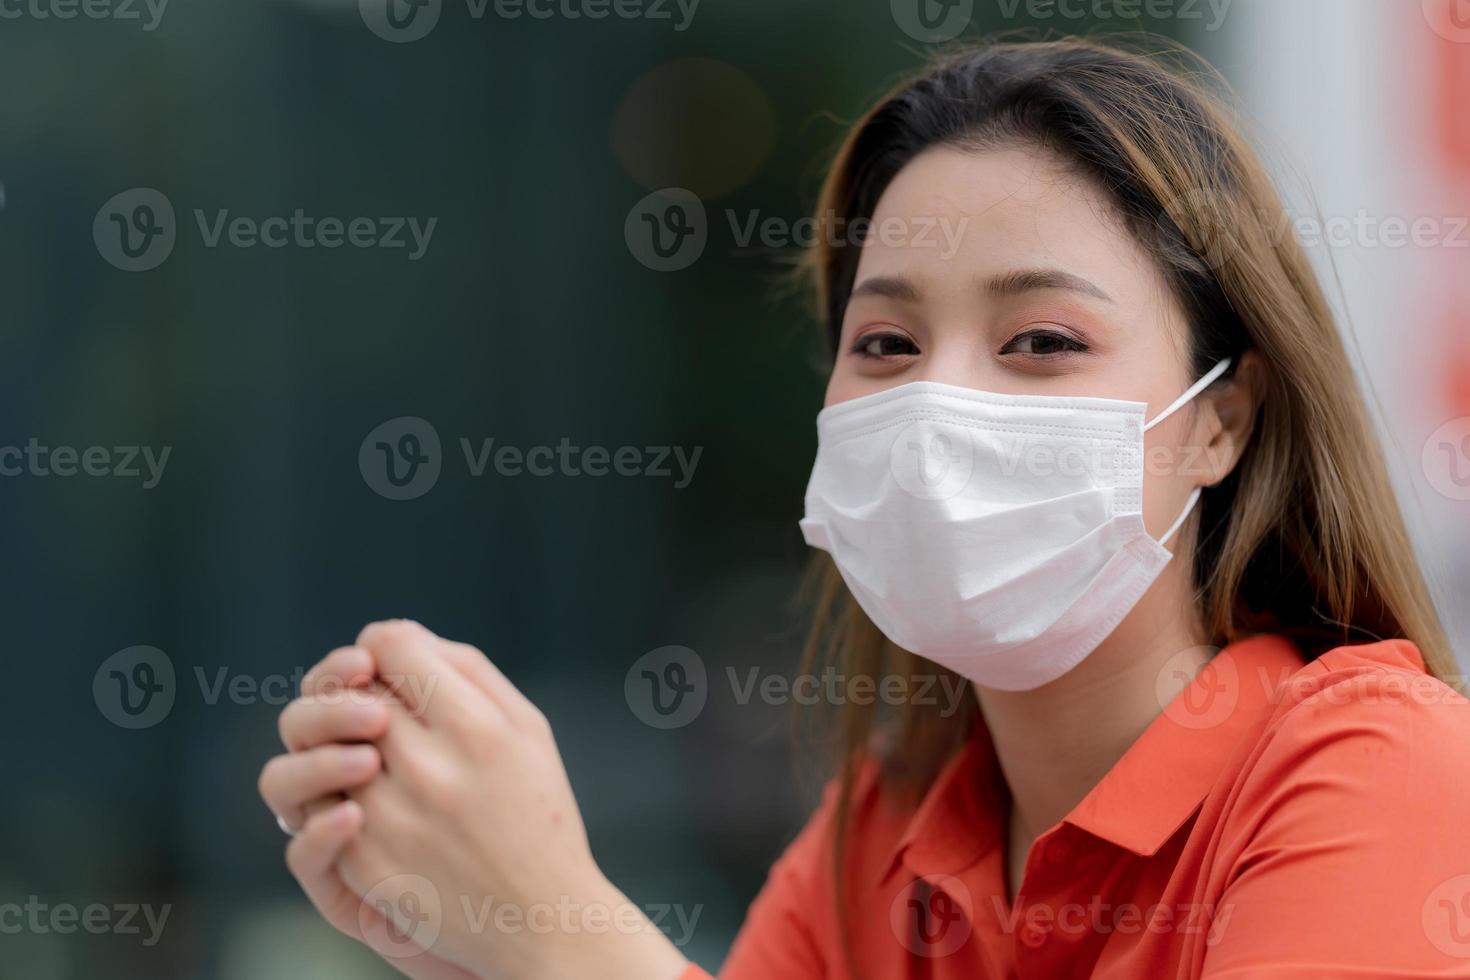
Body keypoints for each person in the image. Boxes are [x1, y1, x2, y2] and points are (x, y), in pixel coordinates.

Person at [258, 37, 1470, 979]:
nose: (939, 399)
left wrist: (562, 930)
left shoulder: (1376, 770)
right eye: (885, 340)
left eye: (1040, 339)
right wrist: (482, 935)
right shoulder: (884, 837)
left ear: (1224, 418)